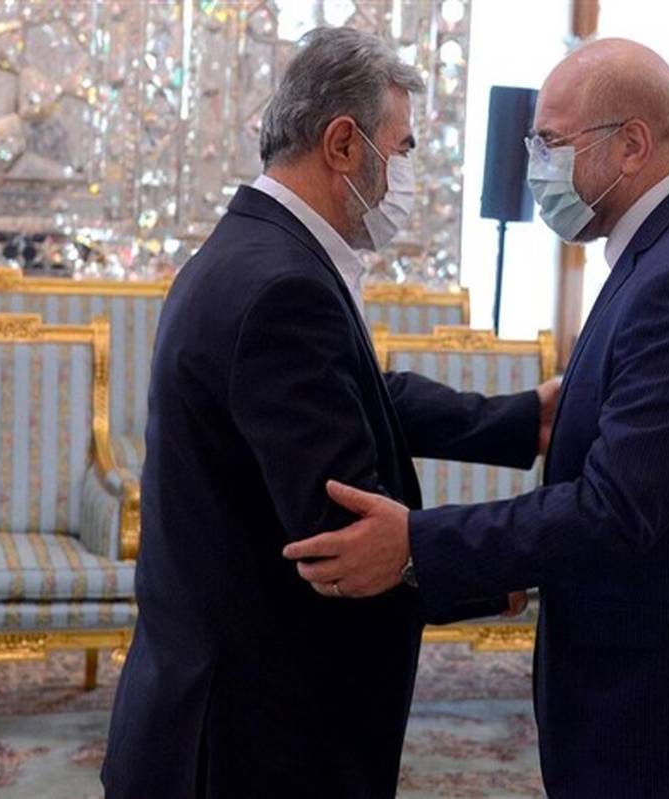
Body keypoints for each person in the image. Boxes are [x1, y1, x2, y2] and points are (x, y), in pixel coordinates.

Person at [284, 38, 669, 798]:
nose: (536, 163)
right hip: (665, 689)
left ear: (631, 145)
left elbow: (614, 510)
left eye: (550, 141)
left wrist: (417, 544)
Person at [101, 27, 555, 798]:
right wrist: (502, 573)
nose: (406, 175)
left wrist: (519, 419)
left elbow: (361, 395)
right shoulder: (283, 285)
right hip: (250, 742)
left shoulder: (256, 249)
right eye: (402, 149)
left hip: (213, 708)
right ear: (343, 143)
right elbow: (343, 543)